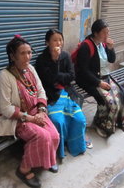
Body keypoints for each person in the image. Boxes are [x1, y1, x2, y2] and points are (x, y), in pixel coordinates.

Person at [0, 34, 60, 188]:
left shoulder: (30, 69)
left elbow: (40, 90)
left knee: (54, 135)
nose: (27, 57)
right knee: (42, 136)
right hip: (16, 119)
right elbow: (5, 108)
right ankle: (23, 169)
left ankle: (47, 159)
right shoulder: (4, 77)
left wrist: (41, 111)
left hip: (35, 113)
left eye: (29, 52)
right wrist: (31, 119)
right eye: (22, 53)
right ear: (13, 56)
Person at [35, 29, 90, 159]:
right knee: (57, 121)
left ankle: (75, 144)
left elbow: (71, 76)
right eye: (55, 40)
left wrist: (58, 76)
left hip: (67, 93)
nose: (58, 43)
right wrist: (54, 61)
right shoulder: (41, 60)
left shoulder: (65, 56)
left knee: (80, 119)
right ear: (47, 42)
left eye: (60, 39)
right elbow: (48, 80)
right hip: (51, 96)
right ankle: (59, 148)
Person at [75, 19, 124, 138]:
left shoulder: (103, 44)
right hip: (90, 80)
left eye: (108, 32)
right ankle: (101, 125)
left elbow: (111, 60)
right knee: (110, 102)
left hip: (105, 77)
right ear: (95, 33)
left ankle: (116, 123)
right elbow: (83, 71)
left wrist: (111, 48)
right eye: (104, 32)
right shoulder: (86, 46)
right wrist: (99, 83)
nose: (107, 35)